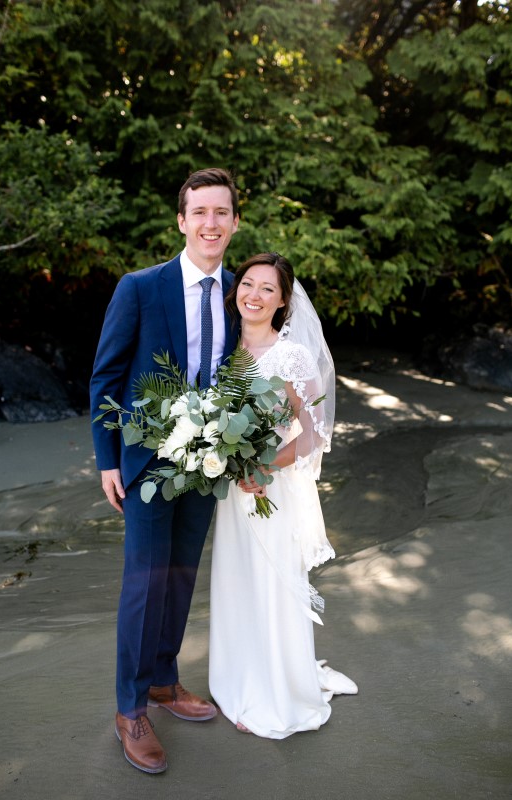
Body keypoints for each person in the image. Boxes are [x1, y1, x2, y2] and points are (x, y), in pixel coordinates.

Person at [90, 167, 240, 773]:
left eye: (220, 212)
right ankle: (129, 709)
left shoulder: (241, 292)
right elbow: (105, 375)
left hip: (208, 462)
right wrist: (106, 460)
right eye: (199, 212)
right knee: (145, 581)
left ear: (234, 221)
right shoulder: (140, 287)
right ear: (181, 221)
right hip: (146, 461)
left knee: (181, 577)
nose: (210, 223)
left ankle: (162, 680)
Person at [209, 252, 358, 739]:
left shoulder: (290, 355)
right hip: (231, 491)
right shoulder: (223, 351)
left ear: (283, 301)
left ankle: (277, 693)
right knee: (238, 581)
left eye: (267, 289)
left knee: (271, 583)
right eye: (247, 284)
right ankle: (238, 680)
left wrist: (264, 466)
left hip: (269, 488)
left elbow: (315, 432)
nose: (253, 294)